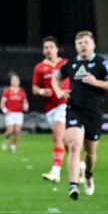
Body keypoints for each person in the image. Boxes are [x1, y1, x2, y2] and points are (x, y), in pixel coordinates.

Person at [52, 30, 108, 200]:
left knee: (90, 154)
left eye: (85, 42)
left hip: (94, 113)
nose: (82, 45)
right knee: (74, 146)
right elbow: (55, 78)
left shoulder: (102, 63)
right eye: (79, 43)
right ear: (76, 46)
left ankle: (89, 175)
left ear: (93, 45)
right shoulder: (70, 64)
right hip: (74, 109)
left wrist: (96, 82)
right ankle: (73, 185)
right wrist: (59, 91)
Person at [32, 36, 70, 182]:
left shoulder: (65, 63)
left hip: (64, 103)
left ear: (57, 49)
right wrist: (42, 91)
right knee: (65, 140)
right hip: (50, 107)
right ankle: (81, 165)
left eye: (51, 47)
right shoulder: (39, 67)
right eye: (46, 47)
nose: (49, 50)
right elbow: (34, 88)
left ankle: (56, 171)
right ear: (43, 51)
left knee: (57, 137)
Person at [0, 74, 29, 153]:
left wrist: (26, 105)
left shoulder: (22, 91)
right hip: (10, 113)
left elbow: (25, 101)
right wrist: (4, 109)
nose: (15, 82)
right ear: (11, 82)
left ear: (19, 82)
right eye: (13, 80)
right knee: (10, 130)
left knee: (17, 131)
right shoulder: (7, 91)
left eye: (16, 80)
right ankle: (5, 140)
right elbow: (2, 102)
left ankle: (13, 145)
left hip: (19, 114)